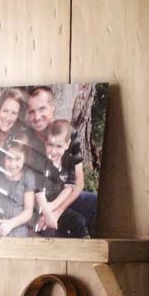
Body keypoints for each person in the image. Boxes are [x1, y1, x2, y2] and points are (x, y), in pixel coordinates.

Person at [25, 86, 97, 236]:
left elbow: (78, 182)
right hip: (35, 201)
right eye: (32, 111)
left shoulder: (69, 134)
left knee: (93, 203)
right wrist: (45, 211)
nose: (37, 116)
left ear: (52, 108)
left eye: (42, 109)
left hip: (63, 195)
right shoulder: (26, 140)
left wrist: (57, 211)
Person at [35, 120, 87, 237]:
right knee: (50, 231)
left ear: (67, 144)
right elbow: (38, 193)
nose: (53, 151)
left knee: (79, 222)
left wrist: (53, 208)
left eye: (59, 146)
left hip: (56, 205)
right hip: (39, 207)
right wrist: (47, 213)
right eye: (50, 145)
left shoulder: (68, 162)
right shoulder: (41, 163)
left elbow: (68, 189)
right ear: (45, 142)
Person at [0, 139, 35, 237]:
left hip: (17, 226)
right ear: (4, 158)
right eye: (9, 158)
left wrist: (10, 224)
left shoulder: (27, 176)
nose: (12, 164)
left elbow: (28, 211)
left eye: (18, 159)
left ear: (24, 159)